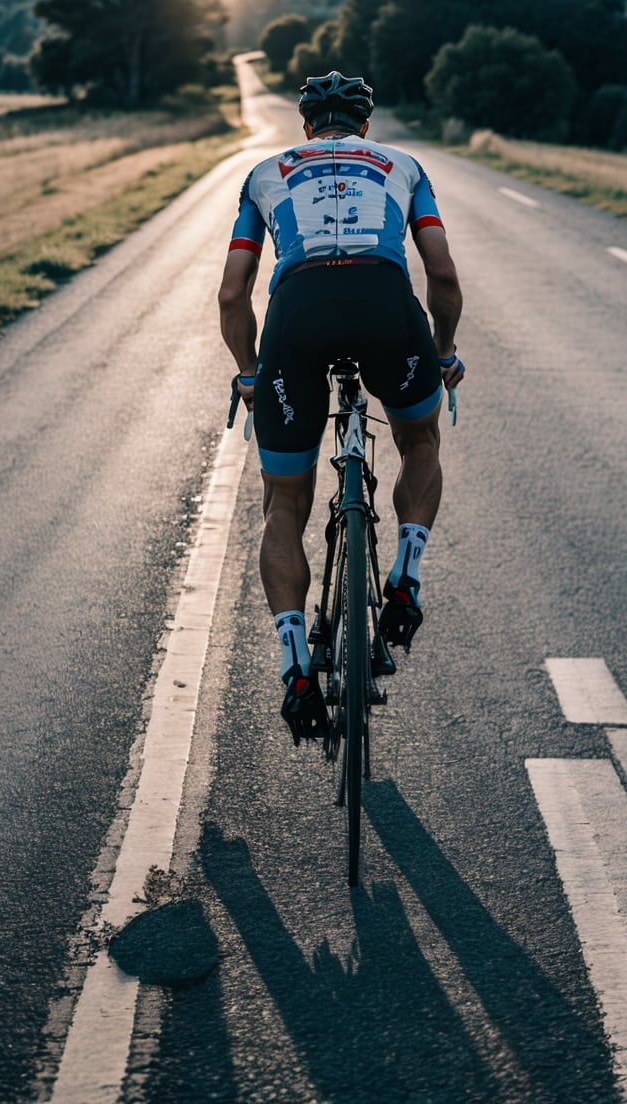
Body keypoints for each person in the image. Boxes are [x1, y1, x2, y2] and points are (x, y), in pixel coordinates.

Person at [218, 70, 464, 746]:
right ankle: (407, 567)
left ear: (305, 126)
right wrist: (442, 355)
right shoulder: (404, 166)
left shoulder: (265, 173)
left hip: (297, 320)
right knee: (419, 441)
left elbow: (234, 295)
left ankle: (294, 657)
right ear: (364, 125)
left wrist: (248, 372)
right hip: (387, 310)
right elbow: (441, 273)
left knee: (285, 503)